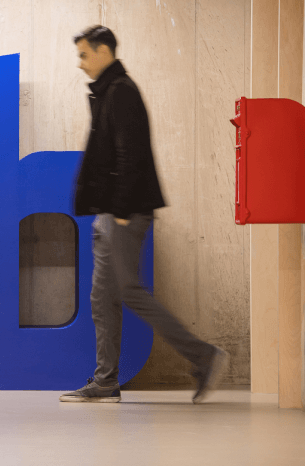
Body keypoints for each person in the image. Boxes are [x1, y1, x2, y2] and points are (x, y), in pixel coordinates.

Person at [59, 25, 228, 404]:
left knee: (129, 293)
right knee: (102, 299)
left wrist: (119, 209)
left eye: (85, 54)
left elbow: (131, 153)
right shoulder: (108, 92)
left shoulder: (122, 91)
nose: (80, 63)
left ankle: (205, 355)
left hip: (124, 213)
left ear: (104, 51)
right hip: (110, 213)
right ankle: (105, 381)